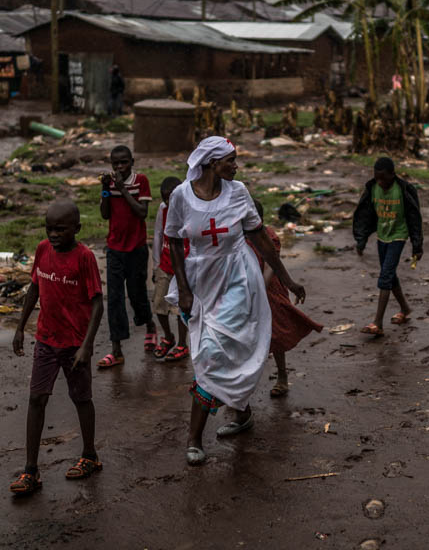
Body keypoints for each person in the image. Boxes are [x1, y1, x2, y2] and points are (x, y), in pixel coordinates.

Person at [165, 136, 306, 466]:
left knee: (213, 353)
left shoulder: (239, 192)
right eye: (231, 160)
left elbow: (259, 238)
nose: (236, 166)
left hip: (238, 279)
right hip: (201, 280)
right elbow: (173, 240)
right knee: (219, 352)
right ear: (213, 163)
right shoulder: (181, 196)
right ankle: (242, 413)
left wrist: (286, 278)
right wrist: (183, 289)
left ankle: (194, 438)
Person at [9, 200, 104, 496]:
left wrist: (87, 345)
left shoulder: (84, 258)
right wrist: (20, 327)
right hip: (46, 340)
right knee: (36, 398)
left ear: (77, 228)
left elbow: (98, 303)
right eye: (49, 228)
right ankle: (30, 470)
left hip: (75, 344)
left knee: (81, 398)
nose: (53, 234)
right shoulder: (42, 250)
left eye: (60, 229)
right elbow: (35, 288)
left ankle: (90, 455)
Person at [247, 199, 323, 397]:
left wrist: (258, 292)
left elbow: (270, 266)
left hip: (269, 289)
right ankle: (241, 384)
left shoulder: (268, 237)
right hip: (243, 290)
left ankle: (282, 375)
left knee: (277, 333)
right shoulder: (237, 236)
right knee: (243, 337)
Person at [352, 156, 424, 334]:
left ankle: (377, 323)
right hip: (382, 236)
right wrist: (361, 240)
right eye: (377, 178)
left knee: (385, 276)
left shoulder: (404, 190)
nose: (380, 182)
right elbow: (365, 215)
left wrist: (417, 245)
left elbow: (414, 218)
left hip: (398, 236)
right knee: (390, 275)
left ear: (393, 174)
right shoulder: (372, 188)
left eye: (383, 178)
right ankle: (405, 309)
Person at [98, 144, 155, 367]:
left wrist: (122, 189)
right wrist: (105, 189)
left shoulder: (140, 181)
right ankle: (116, 348)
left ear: (132, 162)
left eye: (124, 162)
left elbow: (142, 212)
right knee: (114, 298)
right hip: (114, 248)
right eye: (116, 164)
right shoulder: (110, 183)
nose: (120, 167)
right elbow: (105, 214)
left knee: (137, 293)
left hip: (136, 248)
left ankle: (149, 324)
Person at [150, 176, 189, 362]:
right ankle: (168, 337)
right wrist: (156, 265)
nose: (168, 202)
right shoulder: (163, 209)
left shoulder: (189, 209)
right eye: (165, 198)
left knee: (182, 308)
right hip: (165, 265)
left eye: (171, 198)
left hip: (184, 267)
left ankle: (182, 344)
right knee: (159, 305)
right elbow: (158, 234)